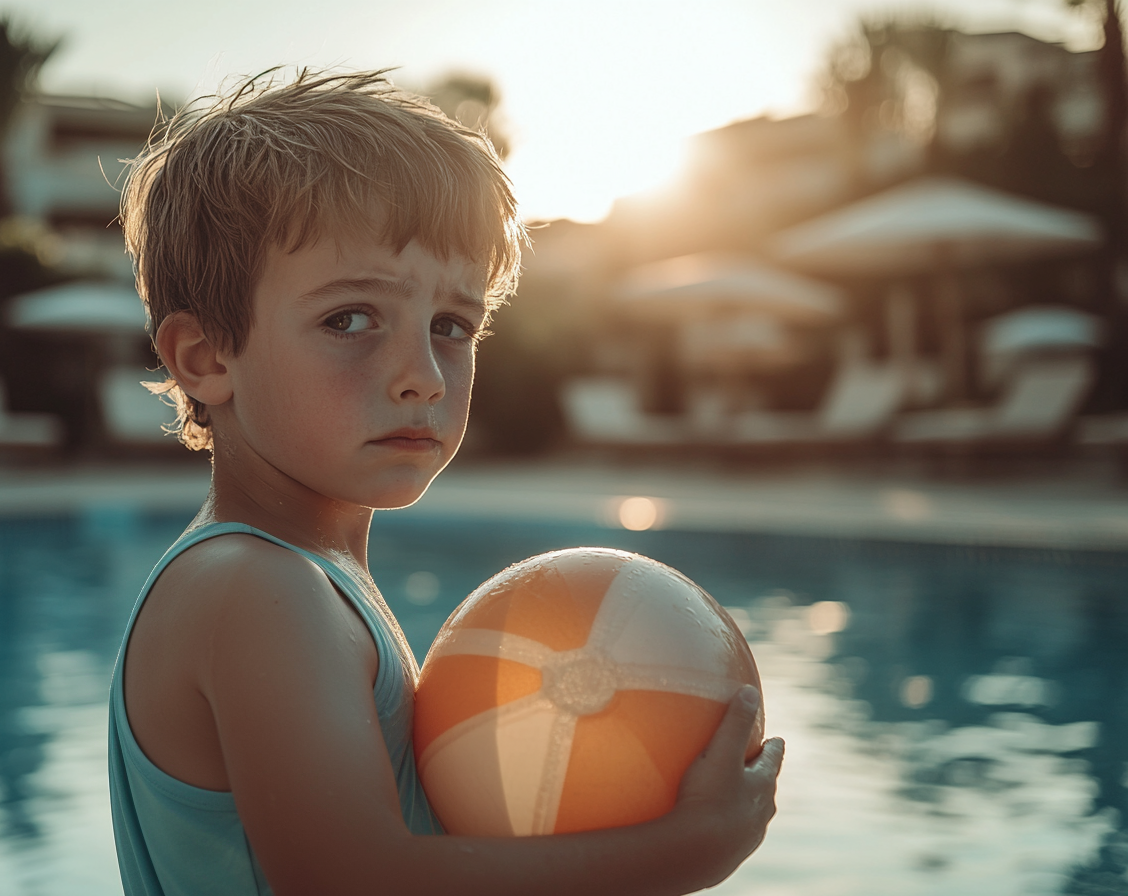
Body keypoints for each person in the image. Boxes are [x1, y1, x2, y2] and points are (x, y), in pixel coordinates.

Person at [109, 69, 784, 896]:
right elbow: (351, 879)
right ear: (207, 357)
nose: (423, 375)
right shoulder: (254, 588)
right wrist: (677, 854)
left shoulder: (302, 575)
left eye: (450, 326)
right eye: (349, 319)